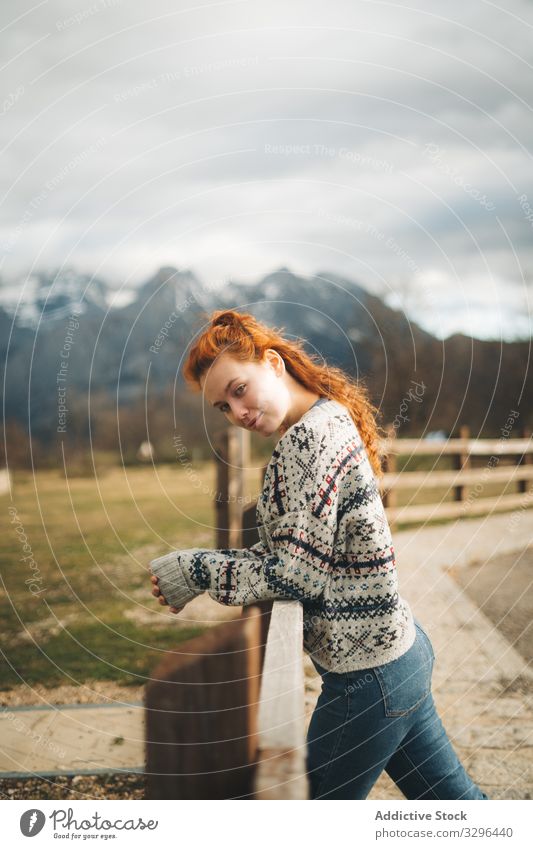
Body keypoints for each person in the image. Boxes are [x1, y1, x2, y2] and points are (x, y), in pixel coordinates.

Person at [149, 308, 489, 800]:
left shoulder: (308, 441)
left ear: (272, 363)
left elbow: (296, 574)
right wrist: (199, 566)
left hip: (368, 677)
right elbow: (289, 552)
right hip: (398, 654)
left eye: (238, 390)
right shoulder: (322, 420)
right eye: (223, 407)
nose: (238, 413)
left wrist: (195, 569)